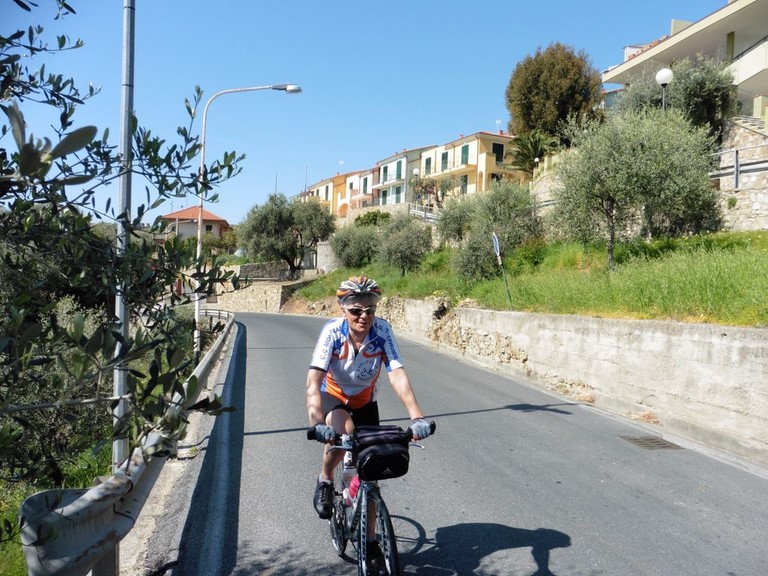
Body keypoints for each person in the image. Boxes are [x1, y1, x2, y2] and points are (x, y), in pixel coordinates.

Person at [306, 276, 430, 564]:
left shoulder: (382, 331)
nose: (364, 316)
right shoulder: (333, 332)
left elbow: (397, 374)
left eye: (370, 310)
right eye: (356, 310)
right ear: (343, 309)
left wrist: (417, 416)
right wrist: (317, 423)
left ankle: (371, 540)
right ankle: (325, 480)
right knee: (344, 432)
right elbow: (313, 379)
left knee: (371, 475)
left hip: (365, 401)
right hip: (333, 396)